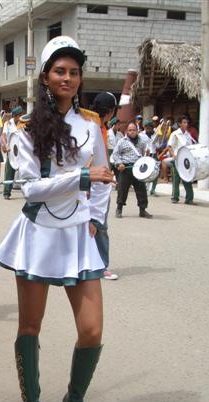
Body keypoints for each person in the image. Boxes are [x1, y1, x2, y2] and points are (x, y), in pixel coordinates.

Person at [0, 36, 114, 402]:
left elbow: (103, 176)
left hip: (78, 236)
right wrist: (81, 178)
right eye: (60, 71)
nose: (68, 78)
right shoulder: (27, 128)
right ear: (45, 77)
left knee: (92, 330)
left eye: (74, 72)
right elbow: (31, 190)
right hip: (39, 234)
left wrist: (94, 218)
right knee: (30, 326)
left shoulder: (91, 124)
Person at [90, 91, 120, 281]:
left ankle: (99, 264)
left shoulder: (101, 127)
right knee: (97, 225)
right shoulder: (93, 126)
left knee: (98, 225)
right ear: (110, 111)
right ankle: (100, 266)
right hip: (90, 182)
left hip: (98, 182)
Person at [112, 122, 153, 219]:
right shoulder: (122, 141)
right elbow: (115, 154)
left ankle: (142, 210)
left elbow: (144, 154)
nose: (132, 132)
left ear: (137, 131)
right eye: (130, 130)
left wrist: (147, 154)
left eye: (134, 130)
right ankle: (119, 209)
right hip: (126, 169)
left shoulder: (142, 141)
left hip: (138, 169)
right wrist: (119, 163)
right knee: (122, 190)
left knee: (141, 190)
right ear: (127, 131)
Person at [162, 115, 196, 204]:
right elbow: (169, 146)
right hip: (177, 159)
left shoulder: (188, 134)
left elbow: (190, 147)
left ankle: (189, 199)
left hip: (185, 160)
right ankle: (175, 197)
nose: (186, 124)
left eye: (187, 122)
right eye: (184, 122)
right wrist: (173, 155)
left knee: (187, 179)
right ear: (179, 124)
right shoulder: (175, 134)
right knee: (176, 179)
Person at [2, 105, 24, 199]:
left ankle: (28, 192)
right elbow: (3, 136)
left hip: (22, 151)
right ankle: (6, 192)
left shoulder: (23, 123)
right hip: (11, 151)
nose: (21, 116)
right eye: (19, 115)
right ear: (15, 116)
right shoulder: (8, 123)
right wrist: (5, 145)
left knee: (25, 172)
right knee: (9, 173)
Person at [140, 119, 159, 195]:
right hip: (145, 155)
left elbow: (158, 145)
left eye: (149, 127)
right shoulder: (141, 135)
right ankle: (143, 188)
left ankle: (153, 189)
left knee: (156, 172)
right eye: (146, 127)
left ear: (152, 127)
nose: (147, 129)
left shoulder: (156, 134)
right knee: (144, 172)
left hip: (153, 154)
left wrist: (156, 141)